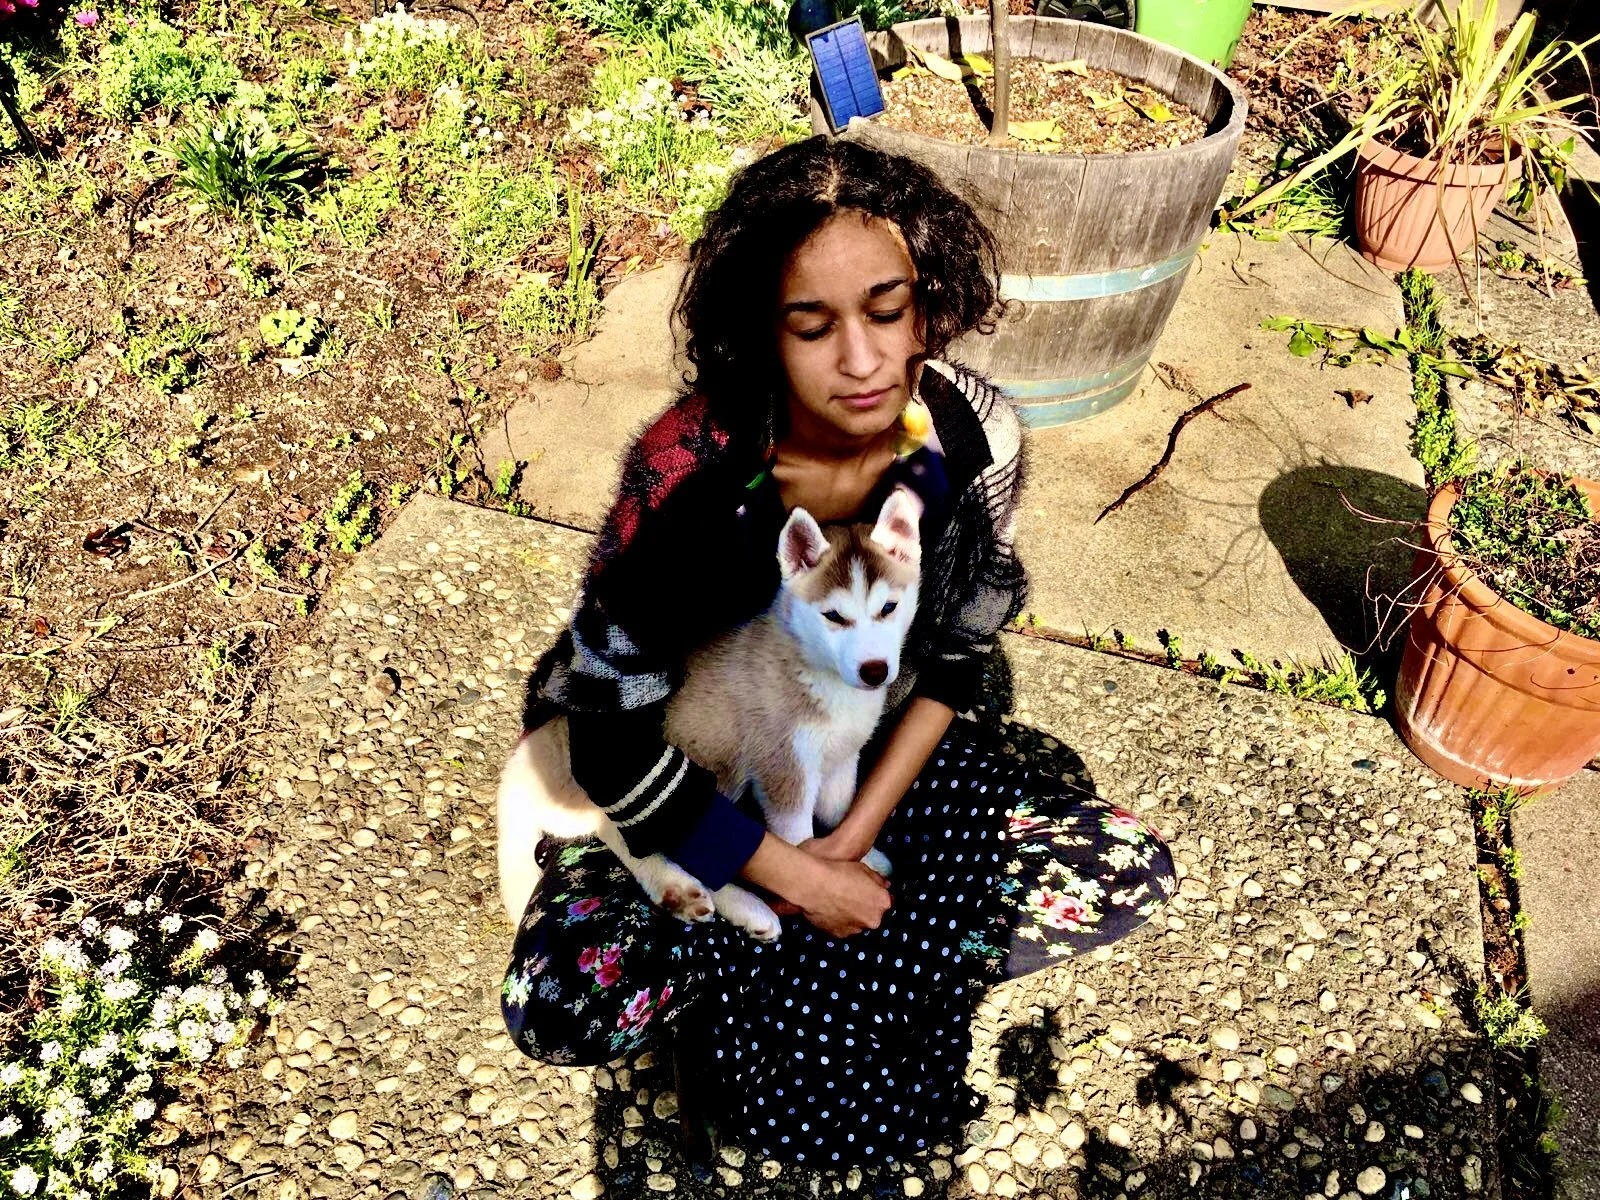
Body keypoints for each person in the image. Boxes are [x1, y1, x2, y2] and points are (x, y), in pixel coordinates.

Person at [501, 135, 1175, 1165]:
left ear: (928, 301)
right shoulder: (685, 473)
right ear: (757, 333)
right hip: (686, 767)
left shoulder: (972, 431)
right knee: (560, 1008)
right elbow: (610, 741)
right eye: (811, 326)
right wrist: (797, 877)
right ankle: (764, 954)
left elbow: (954, 652)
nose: (861, 361)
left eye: (887, 311)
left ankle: (787, 962)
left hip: (856, 742)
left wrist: (854, 831)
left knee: (1123, 868)